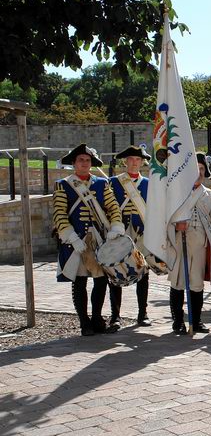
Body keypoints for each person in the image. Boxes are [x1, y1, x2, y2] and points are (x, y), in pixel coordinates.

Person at [53, 143, 124, 335]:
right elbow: (59, 214)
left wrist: (115, 227)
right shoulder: (63, 185)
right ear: (74, 163)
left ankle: (97, 318)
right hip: (77, 240)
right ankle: (84, 322)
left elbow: (113, 208)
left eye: (87, 160)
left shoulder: (102, 183)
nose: (84, 163)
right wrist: (71, 237)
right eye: (81, 160)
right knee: (80, 282)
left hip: (99, 240)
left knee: (101, 281)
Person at [167, 154, 211, 334]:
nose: (198, 172)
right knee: (178, 282)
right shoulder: (177, 192)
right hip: (179, 241)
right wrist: (176, 225)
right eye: (195, 169)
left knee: (197, 283)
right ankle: (178, 321)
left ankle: (196, 320)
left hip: (201, 243)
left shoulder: (209, 195)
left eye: (201, 169)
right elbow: (166, 217)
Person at [107, 144, 153, 330]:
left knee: (143, 274)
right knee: (116, 274)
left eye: (138, 159)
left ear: (142, 162)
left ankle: (143, 313)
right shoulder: (114, 183)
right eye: (131, 159)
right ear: (125, 161)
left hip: (141, 234)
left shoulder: (148, 184)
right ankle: (115, 316)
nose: (134, 163)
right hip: (121, 233)